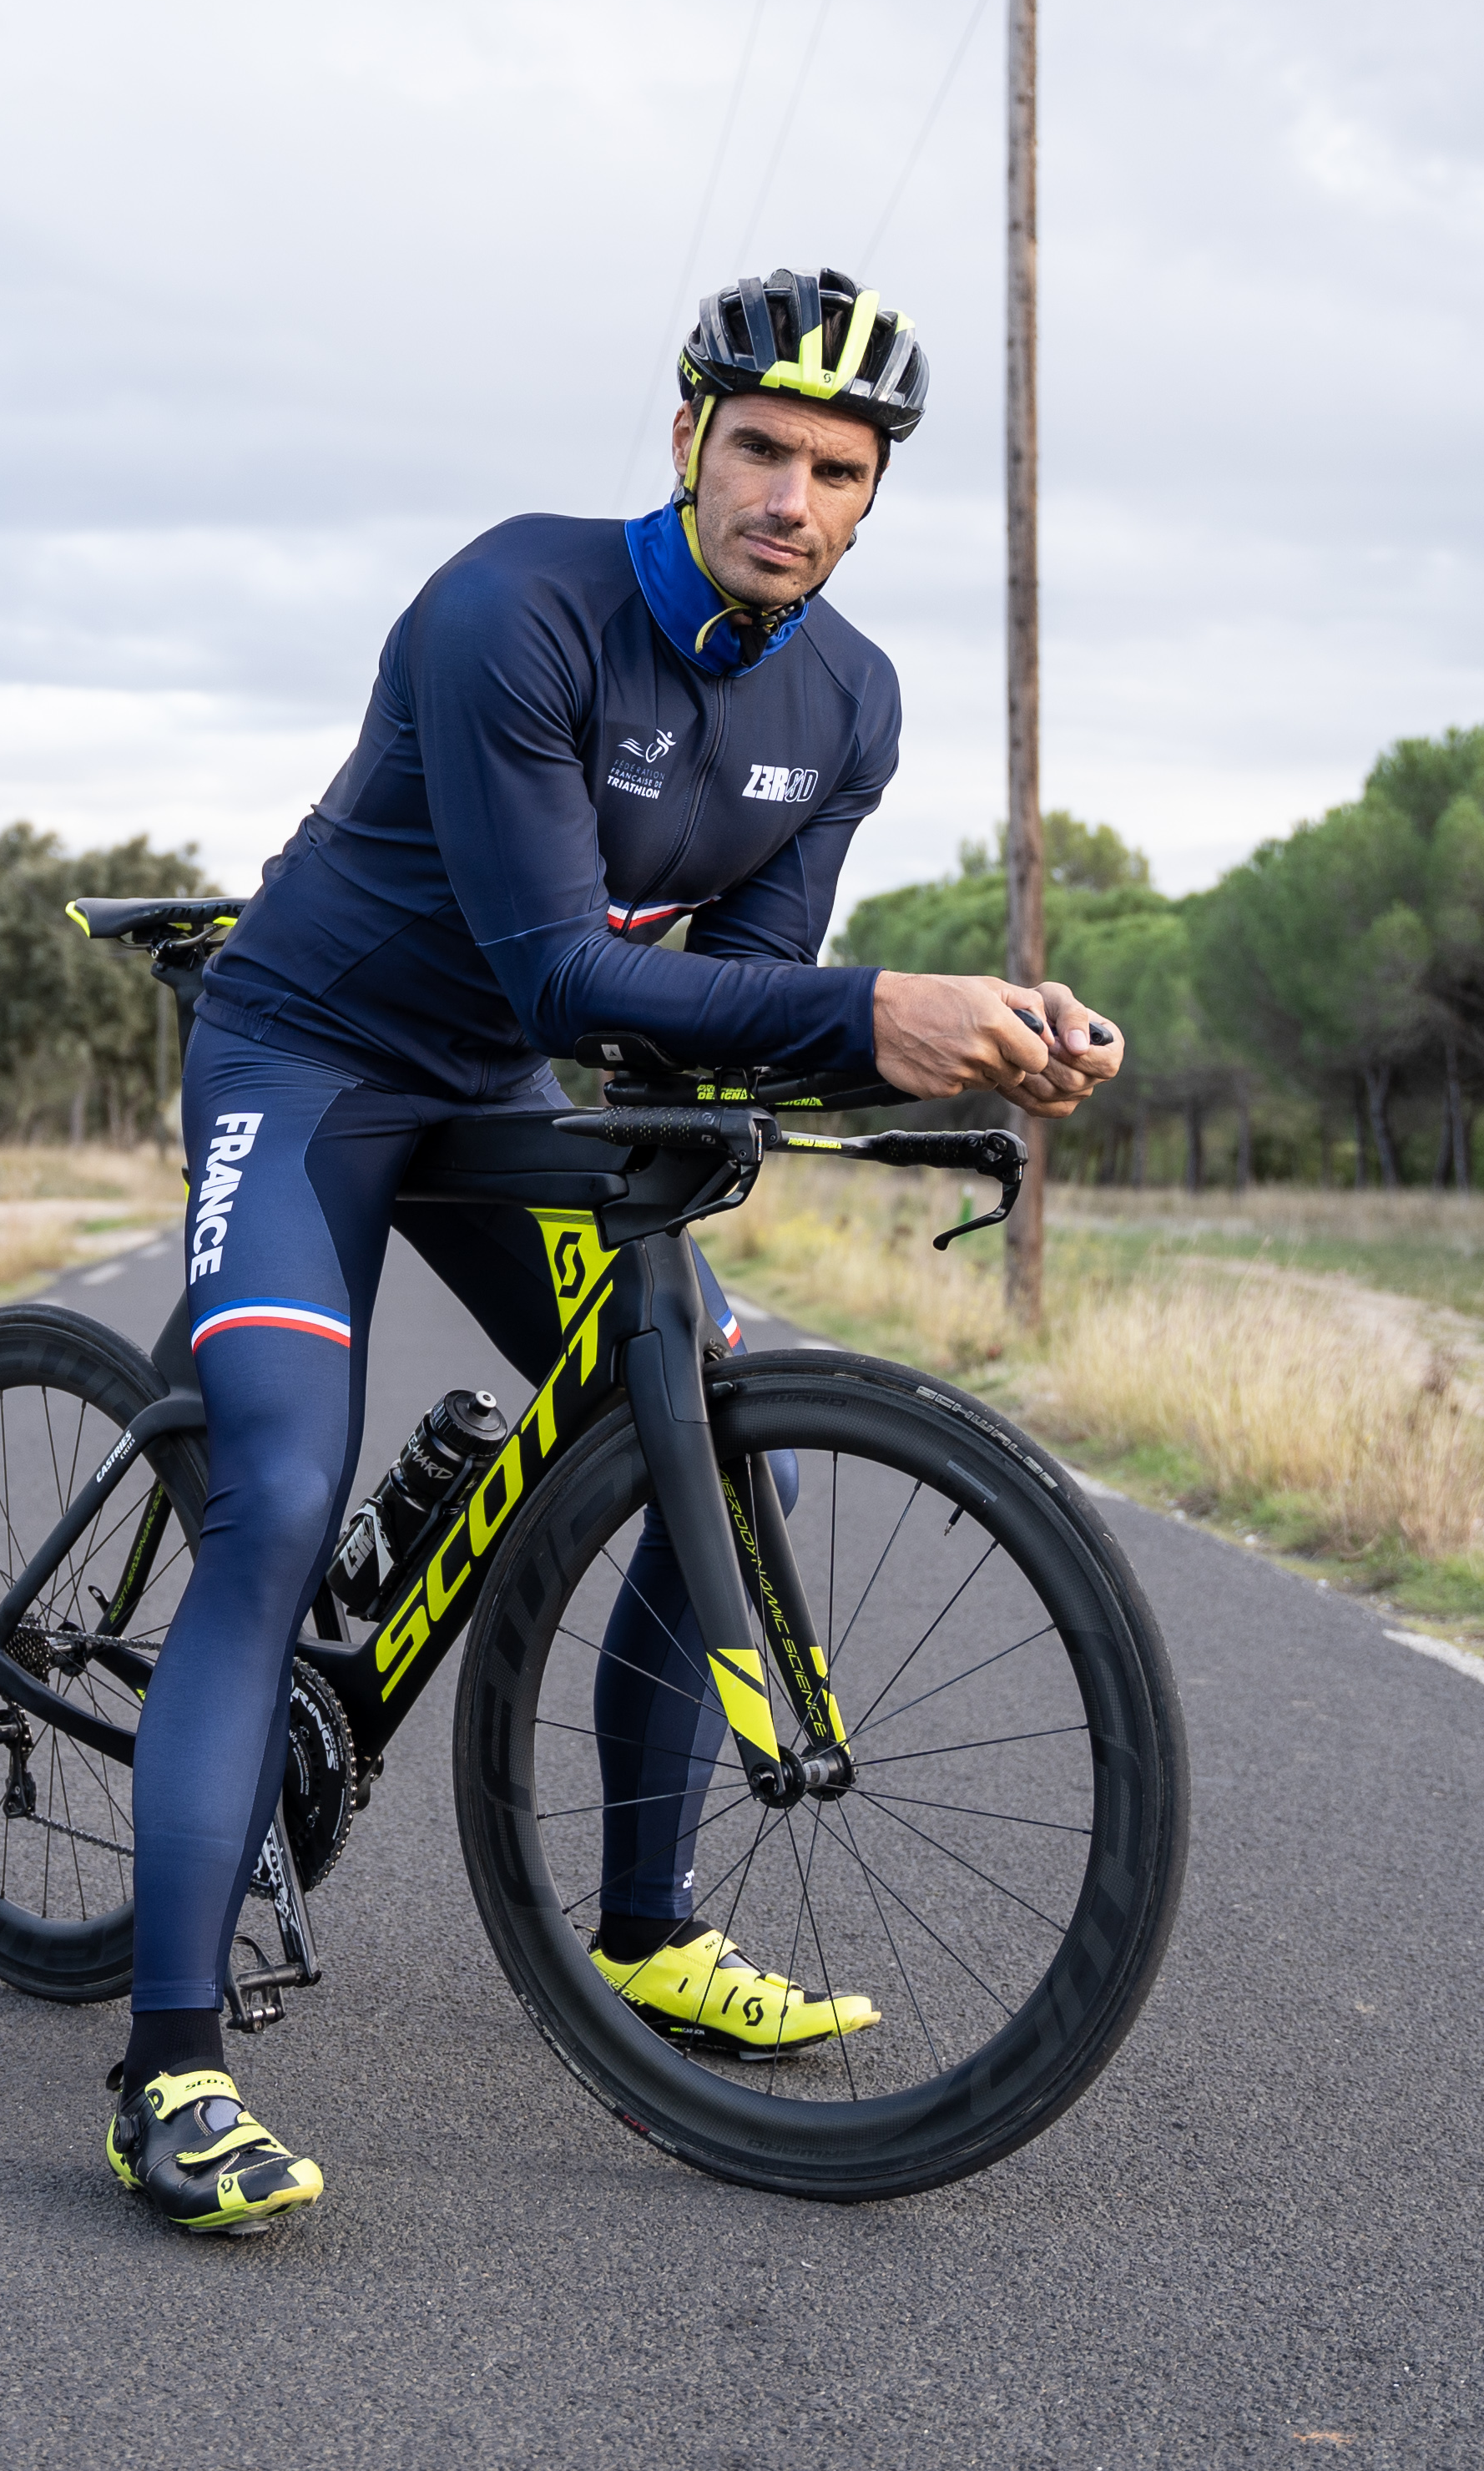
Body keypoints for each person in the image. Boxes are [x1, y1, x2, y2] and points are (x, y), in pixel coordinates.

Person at [106, 265, 1128, 2235]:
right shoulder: (519, 601)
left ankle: (651, 1922)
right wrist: (871, 1008)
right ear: (684, 441)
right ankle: (167, 2065)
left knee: (715, 1412)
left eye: (838, 469)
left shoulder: (849, 698)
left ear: (868, 495)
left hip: (507, 1091)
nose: (792, 497)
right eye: (759, 447)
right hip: (314, 1058)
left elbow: (725, 1000)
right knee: (281, 1488)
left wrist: (964, 1053)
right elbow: (567, 965)